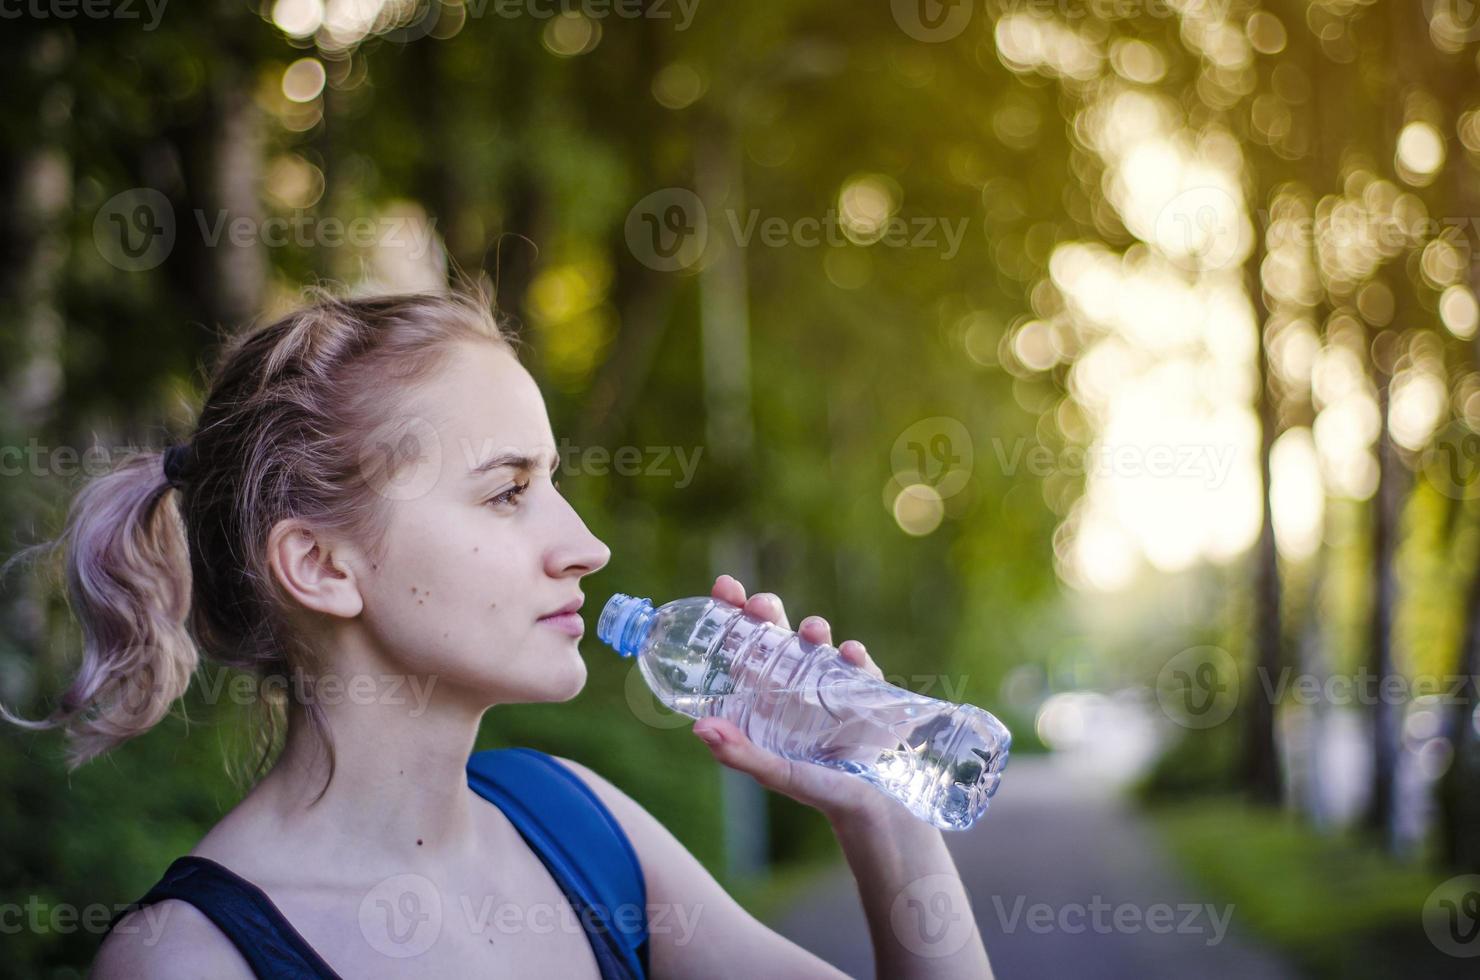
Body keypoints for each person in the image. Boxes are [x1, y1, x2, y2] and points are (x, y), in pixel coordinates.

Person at [5, 290, 991, 978]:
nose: (587, 545)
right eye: (509, 491)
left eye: (552, 481)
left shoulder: (581, 829)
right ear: (322, 565)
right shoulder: (190, 959)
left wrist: (884, 809)